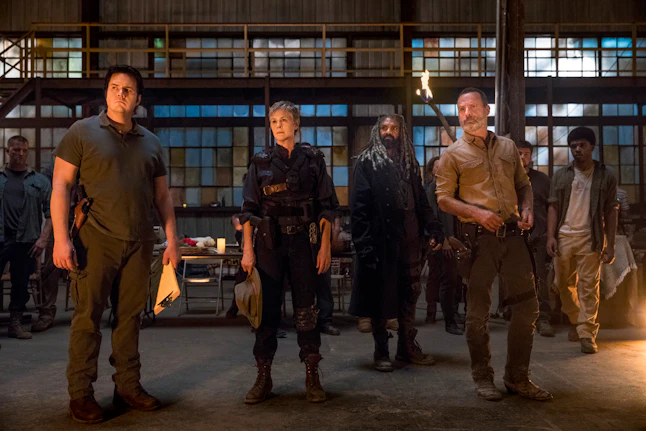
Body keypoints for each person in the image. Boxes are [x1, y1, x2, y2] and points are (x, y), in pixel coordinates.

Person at [52, 65, 181, 424]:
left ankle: (127, 386)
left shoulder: (151, 142)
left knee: (130, 318)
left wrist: (172, 240)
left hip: (140, 242)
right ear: (106, 92)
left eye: (128, 89)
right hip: (96, 239)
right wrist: (61, 239)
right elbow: (61, 185)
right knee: (88, 317)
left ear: (138, 99)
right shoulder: (82, 132)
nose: (120, 93)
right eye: (114, 87)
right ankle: (81, 394)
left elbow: (162, 197)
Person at [435, 87, 551, 401]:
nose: (466, 114)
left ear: (487, 110)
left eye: (472, 107)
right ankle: (483, 377)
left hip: (514, 238)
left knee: (527, 307)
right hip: (478, 242)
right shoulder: (452, 154)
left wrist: (527, 209)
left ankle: (517, 377)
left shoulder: (508, 147)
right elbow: (443, 199)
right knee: (477, 314)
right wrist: (477, 213)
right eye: (461, 109)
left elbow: (523, 185)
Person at [238, 100, 336, 405]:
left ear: (296, 124)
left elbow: (327, 209)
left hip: (305, 244)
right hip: (270, 245)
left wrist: (325, 247)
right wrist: (248, 250)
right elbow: (248, 211)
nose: (279, 126)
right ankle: (263, 377)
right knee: (266, 311)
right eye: (274, 121)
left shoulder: (313, 160)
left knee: (307, 311)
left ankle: (312, 376)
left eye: (284, 120)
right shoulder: (260, 162)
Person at [349, 114, 444, 373]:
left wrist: (434, 227)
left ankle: (406, 346)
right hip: (382, 243)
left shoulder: (409, 162)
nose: (389, 132)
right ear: (377, 131)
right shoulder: (367, 162)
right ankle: (381, 351)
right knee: (380, 297)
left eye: (394, 128)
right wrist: (365, 246)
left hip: (410, 241)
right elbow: (358, 209)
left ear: (401, 132)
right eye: (384, 128)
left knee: (409, 294)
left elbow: (421, 201)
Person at [546, 126, 618, 355]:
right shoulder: (561, 175)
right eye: (573, 146)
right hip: (564, 236)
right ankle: (577, 319)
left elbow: (611, 210)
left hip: (591, 237)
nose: (577, 149)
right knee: (562, 285)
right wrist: (550, 235)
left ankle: (587, 333)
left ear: (591, 147)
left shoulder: (605, 175)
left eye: (582, 145)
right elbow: (553, 206)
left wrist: (610, 244)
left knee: (589, 286)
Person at [0, 135, 52, 341]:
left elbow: (51, 214)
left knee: (20, 285)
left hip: (26, 240)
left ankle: (16, 323)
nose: (20, 154)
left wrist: (43, 239)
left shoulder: (39, 181)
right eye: (16, 150)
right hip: (2, 238)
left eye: (24, 150)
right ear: (7, 151)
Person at [516, 141, 555, 337]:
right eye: (518, 153)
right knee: (514, 276)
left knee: (539, 276)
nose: (522, 157)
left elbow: (552, 207)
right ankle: (516, 315)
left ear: (531, 156)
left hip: (538, 235)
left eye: (526, 154)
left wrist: (551, 235)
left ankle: (543, 317)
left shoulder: (542, 180)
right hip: (514, 236)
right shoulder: (507, 179)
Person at [424, 156, 464, 335]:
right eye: (437, 167)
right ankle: (449, 321)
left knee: (454, 279)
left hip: (453, 239)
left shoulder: (451, 188)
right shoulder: (433, 188)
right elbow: (433, 216)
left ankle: (453, 314)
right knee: (446, 280)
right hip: (441, 241)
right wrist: (444, 239)